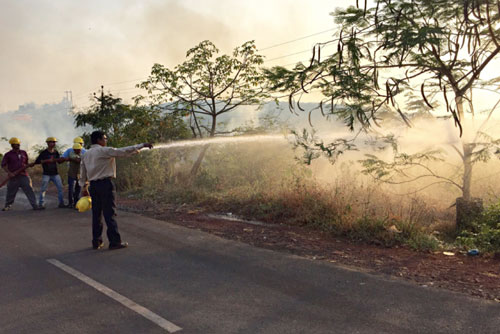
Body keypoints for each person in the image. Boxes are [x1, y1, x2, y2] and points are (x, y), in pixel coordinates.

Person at [80, 131, 152, 250]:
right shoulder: (104, 150)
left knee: (96, 215)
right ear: (99, 140)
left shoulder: (86, 154)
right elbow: (121, 151)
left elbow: (83, 172)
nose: (106, 140)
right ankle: (114, 242)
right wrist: (141, 145)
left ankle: (96, 242)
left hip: (93, 186)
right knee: (110, 214)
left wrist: (84, 187)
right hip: (105, 184)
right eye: (104, 138)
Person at [1, 137, 42, 211]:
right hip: (13, 176)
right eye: (16, 144)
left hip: (23, 175)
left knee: (29, 190)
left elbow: (26, 164)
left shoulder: (23, 153)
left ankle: (34, 205)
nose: (18, 145)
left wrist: (30, 165)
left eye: (18, 144)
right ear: (12, 145)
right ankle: (8, 205)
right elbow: (3, 165)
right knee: (11, 192)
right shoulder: (8, 155)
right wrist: (9, 173)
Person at [35, 137, 67, 208]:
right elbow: (37, 161)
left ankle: (61, 203)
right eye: (51, 142)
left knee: (60, 188)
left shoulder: (56, 152)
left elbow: (59, 162)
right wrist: (46, 161)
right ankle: (41, 204)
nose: (53, 143)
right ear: (48, 143)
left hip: (55, 174)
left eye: (54, 142)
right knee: (43, 189)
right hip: (46, 174)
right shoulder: (44, 153)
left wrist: (63, 159)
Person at [67, 143, 83, 209]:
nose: (79, 151)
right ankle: (71, 202)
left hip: (78, 175)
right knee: (71, 189)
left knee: (78, 189)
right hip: (72, 174)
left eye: (79, 149)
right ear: (74, 150)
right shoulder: (71, 154)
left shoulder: (81, 155)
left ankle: (76, 203)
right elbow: (77, 160)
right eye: (77, 149)